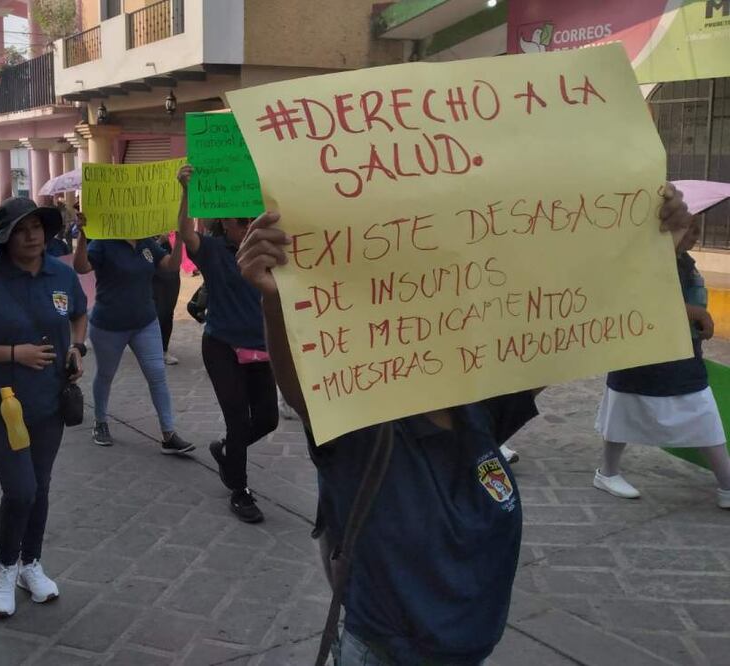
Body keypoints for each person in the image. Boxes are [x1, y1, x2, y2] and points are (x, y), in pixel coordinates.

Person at [233, 186, 693, 665]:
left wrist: (656, 251)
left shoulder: (477, 407)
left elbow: (568, 333)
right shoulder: (363, 429)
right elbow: (305, 395)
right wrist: (276, 303)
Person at [0, 197, 87, 618]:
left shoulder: (62, 274)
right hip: (0, 405)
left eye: (37, 227)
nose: (31, 236)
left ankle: (32, 564)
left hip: (50, 403)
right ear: (6, 238)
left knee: (40, 488)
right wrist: (16, 353)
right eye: (21, 230)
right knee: (21, 489)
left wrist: (77, 348)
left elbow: (79, 315)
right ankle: (5, 568)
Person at [594, 216, 730, 509]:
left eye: (696, 228)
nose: (694, 234)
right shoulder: (645, 260)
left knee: (701, 411)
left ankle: (727, 484)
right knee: (623, 409)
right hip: (641, 353)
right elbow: (644, 301)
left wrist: (697, 319)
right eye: (687, 228)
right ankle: (607, 472)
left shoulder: (684, 262)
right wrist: (698, 314)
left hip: (680, 353)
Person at [177, 165, 278, 522]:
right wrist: (186, 191)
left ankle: (225, 450)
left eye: (253, 218)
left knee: (268, 419)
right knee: (237, 419)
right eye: (241, 221)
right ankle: (240, 490)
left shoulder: (270, 253)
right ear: (227, 225)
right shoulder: (215, 251)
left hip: (261, 346)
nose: (249, 225)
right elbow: (186, 236)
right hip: (222, 345)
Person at [73, 206, 195, 454]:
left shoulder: (147, 243)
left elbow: (171, 266)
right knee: (105, 376)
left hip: (145, 322)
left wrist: (180, 237)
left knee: (157, 375)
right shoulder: (104, 243)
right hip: (109, 325)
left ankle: (168, 434)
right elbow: (82, 267)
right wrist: (84, 235)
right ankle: (100, 422)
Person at [152, 232, 181, 366]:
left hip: (170, 276)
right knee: (158, 313)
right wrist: (158, 242)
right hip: (153, 275)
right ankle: (156, 349)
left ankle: (163, 350)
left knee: (167, 312)